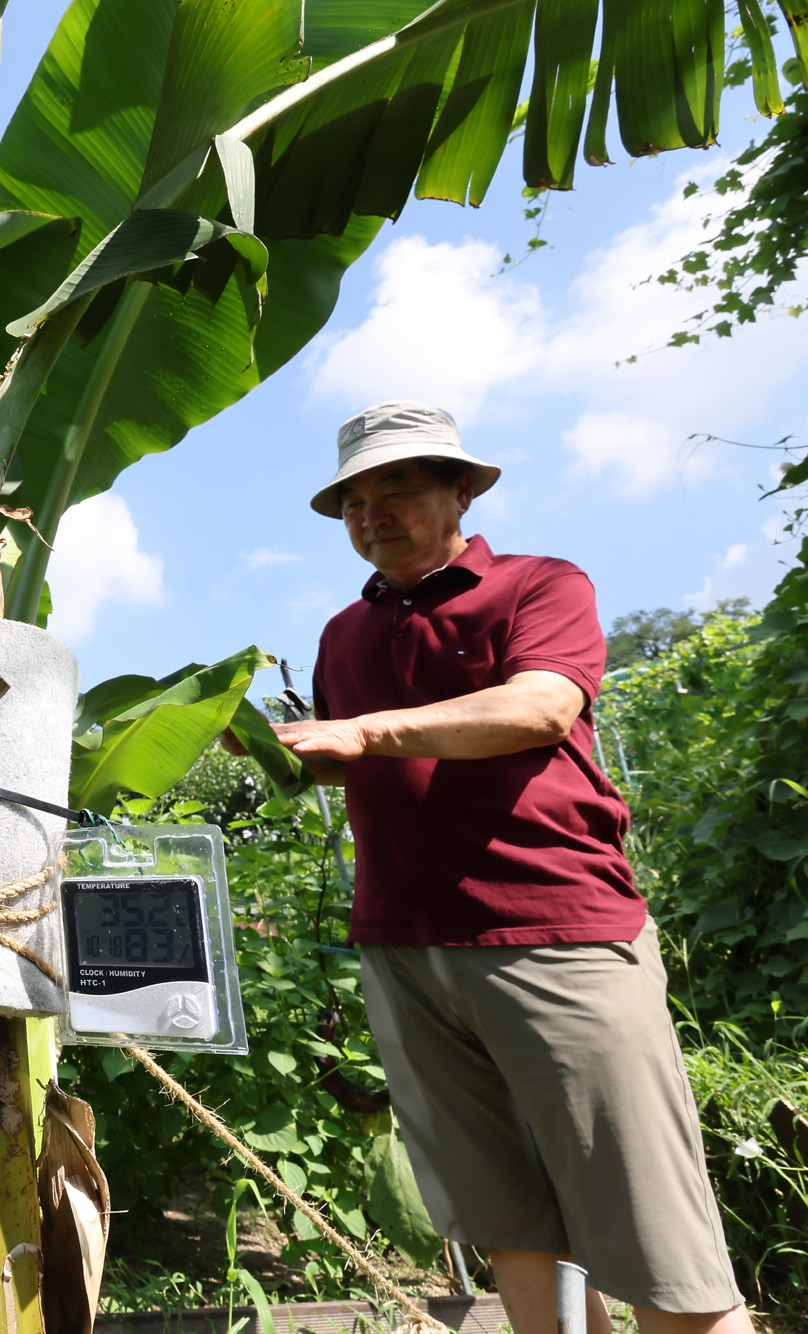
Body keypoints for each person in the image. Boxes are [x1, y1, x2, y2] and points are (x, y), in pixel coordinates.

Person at [229, 401, 751, 1334]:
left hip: (554, 932)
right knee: (507, 1220)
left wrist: (363, 731)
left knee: (655, 1239)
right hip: (404, 945)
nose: (372, 515)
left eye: (398, 488)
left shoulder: (538, 585)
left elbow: (540, 708)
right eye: (353, 501)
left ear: (461, 491)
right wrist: (279, 748)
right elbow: (359, 759)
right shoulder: (344, 635)